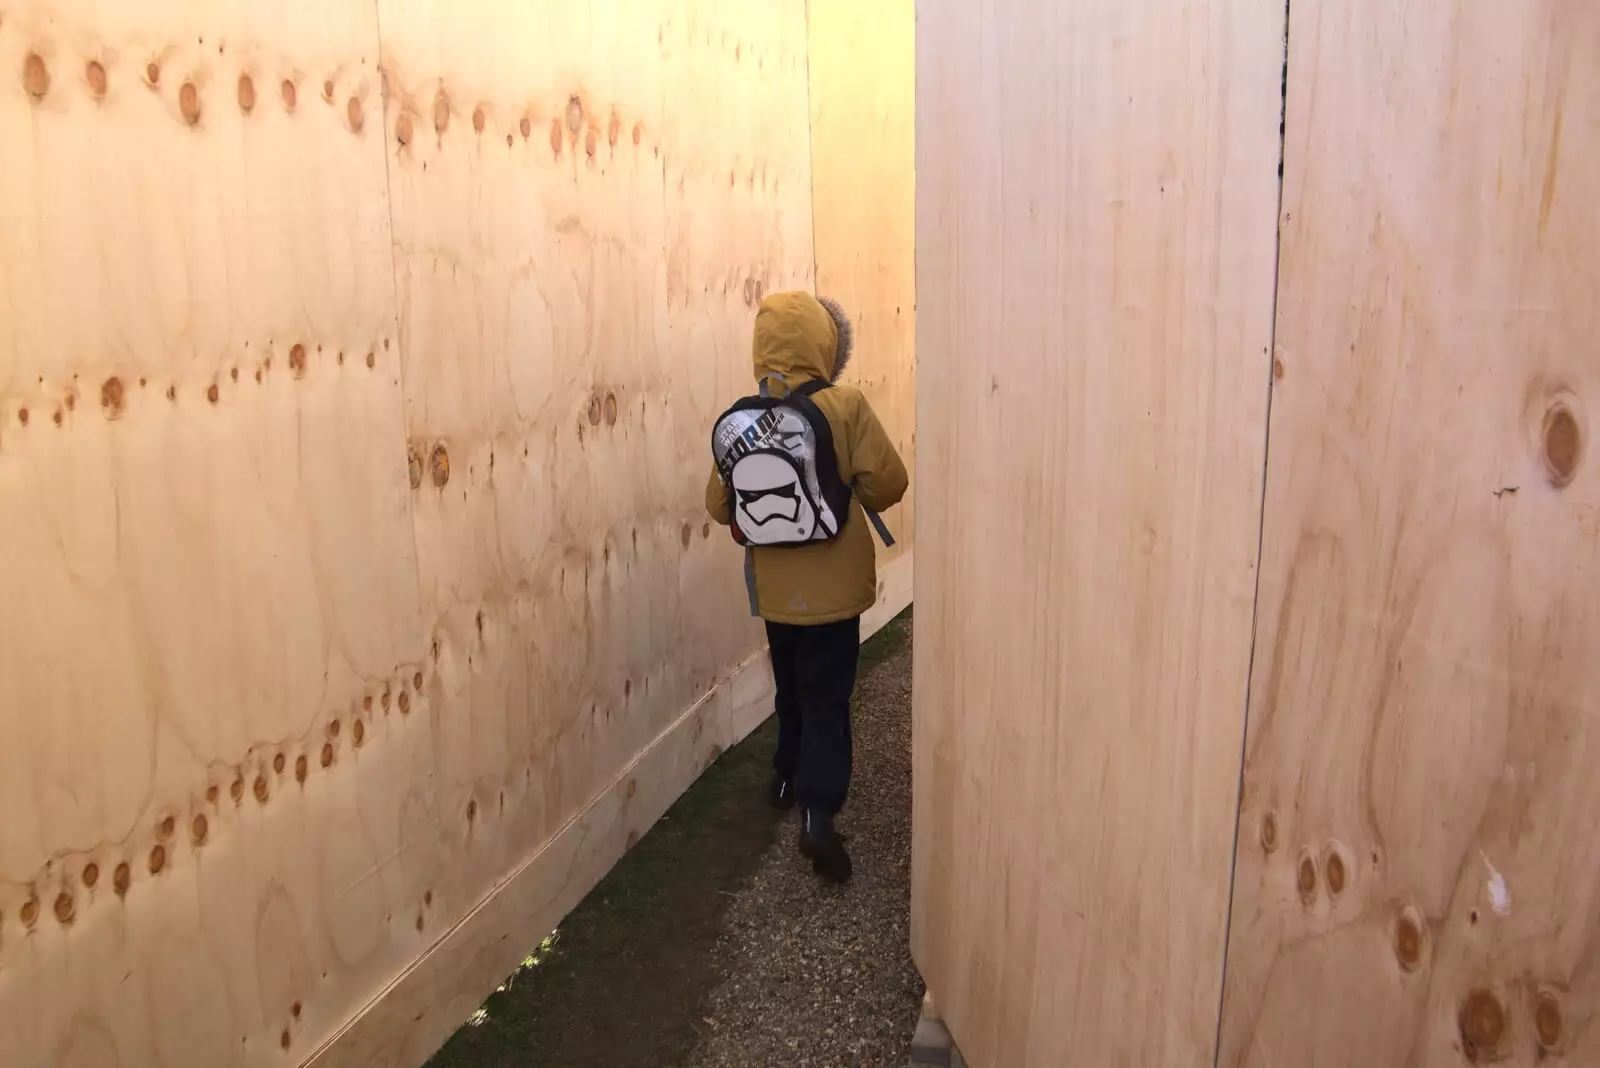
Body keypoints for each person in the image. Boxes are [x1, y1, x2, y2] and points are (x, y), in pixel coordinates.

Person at [705, 291, 909, 883]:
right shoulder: (845, 407)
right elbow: (888, 484)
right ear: (827, 343)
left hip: (774, 592)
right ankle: (819, 813)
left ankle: (785, 776)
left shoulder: (741, 418)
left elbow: (719, 507)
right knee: (827, 698)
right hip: (835, 593)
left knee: (791, 688)